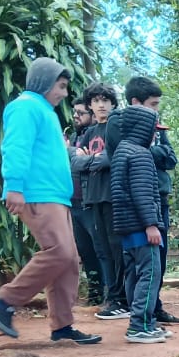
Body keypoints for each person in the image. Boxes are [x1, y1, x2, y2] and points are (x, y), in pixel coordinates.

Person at [0, 57, 101, 345]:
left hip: (55, 195)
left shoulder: (45, 111)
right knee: (60, 253)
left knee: (69, 260)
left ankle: (62, 326)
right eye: (60, 86)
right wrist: (14, 186)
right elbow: (15, 147)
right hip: (37, 193)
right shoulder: (25, 106)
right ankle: (4, 302)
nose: (64, 93)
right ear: (43, 82)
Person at [122, 76, 179, 326]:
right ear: (136, 102)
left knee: (158, 258)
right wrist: (150, 153)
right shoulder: (121, 127)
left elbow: (171, 158)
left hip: (158, 200)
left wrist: (153, 151)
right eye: (153, 104)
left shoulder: (157, 129)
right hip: (138, 207)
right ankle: (140, 319)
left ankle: (152, 309)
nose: (157, 110)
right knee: (141, 263)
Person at [109, 105, 168, 343]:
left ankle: (145, 322)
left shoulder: (121, 151)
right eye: (153, 130)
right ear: (142, 128)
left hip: (126, 227)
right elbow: (142, 193)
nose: (155, 135)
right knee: (150, 274)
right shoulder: (140, 155)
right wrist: (151, 224)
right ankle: (139, 326)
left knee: (134, 275)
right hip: (142, 228)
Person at [76, 81, 130, 321]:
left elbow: (113, 157)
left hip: (113, 196)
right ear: (90, 105)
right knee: (104, 251)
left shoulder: (116, 126)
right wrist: (94, 161)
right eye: (96, 101)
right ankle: (113, 297)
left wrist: (90, 160)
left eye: (105, 100)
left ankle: (122, 300)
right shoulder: (88, 132)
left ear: (112, 103)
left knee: (118, 248)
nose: (101, 105)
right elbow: (75, 163)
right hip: (94, 198)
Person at [67, 97, 103, 305]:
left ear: (92, 115)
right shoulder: (74, 137)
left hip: (92, 202)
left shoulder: (98, 135)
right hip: (74, 203)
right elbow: (74, 162)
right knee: (86, 251)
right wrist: (76, 154)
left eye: (80, 113)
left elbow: (92, 162)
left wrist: (77, 156)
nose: (76, 116)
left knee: (100, 249)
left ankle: (110, 293)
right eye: (75, 112)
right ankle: (95, 294)